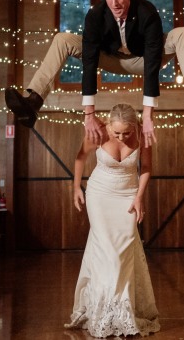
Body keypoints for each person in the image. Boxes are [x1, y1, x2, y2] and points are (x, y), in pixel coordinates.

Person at [5, 0, 184, 147]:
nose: (115, 3)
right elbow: (90, 63)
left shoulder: (148, 12)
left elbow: (151, 65)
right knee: (62, 38)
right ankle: (33, 102)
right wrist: (89, 114)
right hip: (109, 59)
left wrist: (147, 115)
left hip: (144, 60)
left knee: (182, 33)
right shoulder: (95, 15)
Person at [64, 103, 160, 337]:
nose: (121, 137)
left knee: (124, 250)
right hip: (99, 195)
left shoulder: (142, 133)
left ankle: (124, 311)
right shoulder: (98, 132)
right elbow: (80, 157)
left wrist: (139, 198)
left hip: (128, 195)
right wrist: (76, 187)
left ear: (134, 126)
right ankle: (104, 310)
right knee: (108, 251)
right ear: (109, 125)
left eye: (126, 133)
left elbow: (146, 167)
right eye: (117, 133)